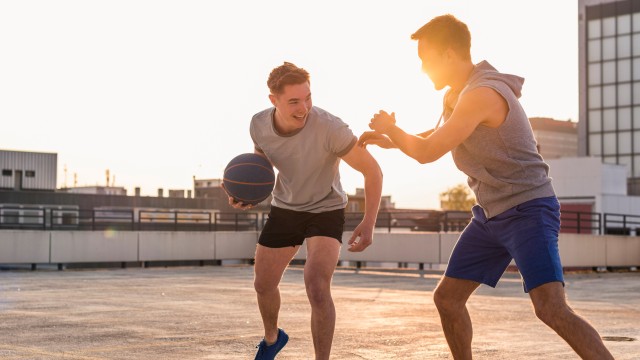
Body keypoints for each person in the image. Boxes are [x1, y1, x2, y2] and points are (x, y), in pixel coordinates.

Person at [358, 14, 613, 360]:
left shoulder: (482, 93)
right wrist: (393, 138)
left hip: (528, 209)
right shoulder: (458, 95)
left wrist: (393, 129)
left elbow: (429, 152)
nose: (422, 69)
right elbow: (436, 136)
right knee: (447, 299)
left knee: (550, 308)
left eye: (425, 60)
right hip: (491, 215)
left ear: (448, 54)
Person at [224, 62, 383, 360]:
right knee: (263, 284)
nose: (304, 107)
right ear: (274, 100)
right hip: (285, 207)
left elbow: (373, 171)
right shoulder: (258, 125)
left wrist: (369, 221)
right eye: (294, 101)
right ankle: (272, 339)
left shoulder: (330, 128)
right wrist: (244, 195)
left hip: (326, 208)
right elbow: (262, 169)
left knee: (317, 285)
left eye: (308, 97)